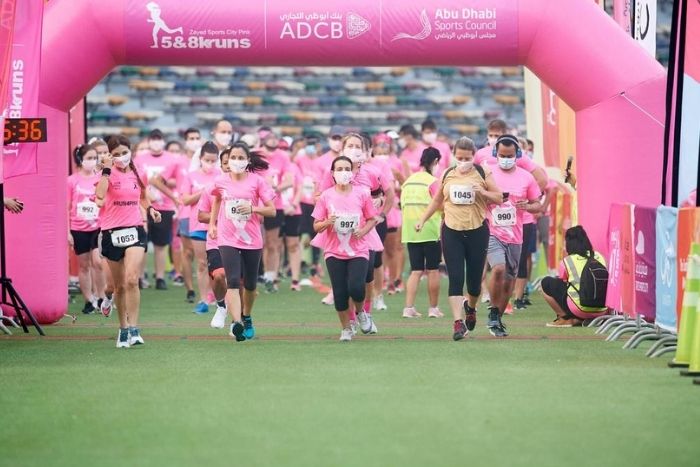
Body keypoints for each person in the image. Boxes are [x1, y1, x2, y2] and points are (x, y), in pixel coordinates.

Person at [416, 138, 503, 340]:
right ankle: (457, 323)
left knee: (473, 283)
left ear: (474, 156)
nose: (463, 161)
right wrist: (423, 219)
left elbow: (499, 197)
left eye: (467, 158)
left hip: (477, 231)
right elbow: (438, 199)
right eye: (460, 157)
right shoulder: (447, 173)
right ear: (454, 155)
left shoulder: (483, 172)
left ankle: (470, 308)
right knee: (455, 278)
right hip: (451, 231)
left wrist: (483, 192)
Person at [96, 134, 161, 348]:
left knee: (132, 279)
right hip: (111, 232)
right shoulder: (105, 172)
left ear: (130, 151)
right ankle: (122, 329)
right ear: (110, 156)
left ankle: (134, 328)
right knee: (119, 286)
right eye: (116, 154)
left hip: (134, 228)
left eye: (124, 153)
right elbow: (99, 197)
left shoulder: (138, 171)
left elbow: (143, 195)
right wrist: (105, 171)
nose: (121, 157)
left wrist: (150, 209)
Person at [208, 142, 276, 342]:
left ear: (247, 161)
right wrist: (212, 223)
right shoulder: (220, 181)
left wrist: (253, 209)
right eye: (232, 158)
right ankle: (236, 322)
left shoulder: (257, 182)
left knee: (251, 286)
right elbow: (217, 199)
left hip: (251, 239)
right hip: (227, 237)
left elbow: (271, 209)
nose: (235, 162)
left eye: (240, 158)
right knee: (233, 280)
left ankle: (246, 317)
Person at [312, 156, 379, 341]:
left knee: (357, 287)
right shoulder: (326, 196)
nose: (343, 172)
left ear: (352, 172)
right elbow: (316, 226)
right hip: (334, 251)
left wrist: (363, 230)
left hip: (358, 249)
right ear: (332, 173)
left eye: (346, 169)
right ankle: (346, 329)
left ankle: (361, 313)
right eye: (339, 169)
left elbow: (373, 218)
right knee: (340, 292)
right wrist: (328, 222)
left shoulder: (362, 194)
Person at [484, 135, 542, 337]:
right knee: (498, 269)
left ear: (517, 155)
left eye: (509, 155)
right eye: (502, 155)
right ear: (495, 154)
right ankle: (492, 310)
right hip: (492, 232)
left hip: (516, 235)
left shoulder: (526, 177)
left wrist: (528, 206)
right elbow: (479, 196)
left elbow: (538, 204)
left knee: (509, 280)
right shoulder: (488, 174)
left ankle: (498, 317)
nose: (506, 159)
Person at [134, 129, 182, 291]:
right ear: (148, 141)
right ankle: (140, 276)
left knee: (161, 244)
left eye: (159, 138)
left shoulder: (172, 160)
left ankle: (160, 276)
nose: (156, 141)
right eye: (153, 138)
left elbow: (178, 180)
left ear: (163, 140)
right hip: (143, 204)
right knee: (141, 243)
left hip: (164, 205)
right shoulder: (139, 159)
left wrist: (162, 183)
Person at [400, 147, 444, 319]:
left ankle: (408, 308)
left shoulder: (409, 181)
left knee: (416, 271)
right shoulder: (433, 182)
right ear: (435, 162)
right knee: (433, 270)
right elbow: (440, 205)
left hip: (411, 231)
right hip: (430, 230)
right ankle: (433, 309)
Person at [181, 141, 221, 314]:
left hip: (218, 225)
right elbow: (185, 200)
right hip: (197, 224)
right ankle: (203, 299)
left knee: (219, 265)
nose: (210, 164)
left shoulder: (221, 175)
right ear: (201, 158)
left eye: (213, 160)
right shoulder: (191, 176)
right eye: (207, 160)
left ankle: (218, 296)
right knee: (202, 263)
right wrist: (204, 191)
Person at [541, 226, 608, 326]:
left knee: (545, 283)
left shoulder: (567, 261)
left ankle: (565, 318)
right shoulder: (599, 256)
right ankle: (588, 319)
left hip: (579, 308)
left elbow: (563, 282)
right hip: (602, 310)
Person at [68, 144, 106, 315]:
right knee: (83, 266)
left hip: (98, 226)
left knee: (98, 262)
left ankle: (101, 297)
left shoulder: (101, 178)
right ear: (81, 160)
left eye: (94, 158)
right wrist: (67, 231)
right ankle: (89, 300)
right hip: (78, 227)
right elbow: (66, 207)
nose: (92, 161)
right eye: (89, 158)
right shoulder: (71, 180)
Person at [195, 148, 232, 330]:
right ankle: (221, 306)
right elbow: (201, 215)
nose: (229, 166)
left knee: (239, 283)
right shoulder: (212, 187)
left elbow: (261, 215)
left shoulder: (249, 186)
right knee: (219, 276)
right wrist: (220, 216)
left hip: (241, 240)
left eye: (234, 161)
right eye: (225, 162)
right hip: (216, 239)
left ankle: (239, 320)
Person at [258, 129, 294, 293]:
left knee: (273, 244)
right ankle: (253, 276)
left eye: (274, 138)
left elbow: (289, 180)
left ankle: (270, 277)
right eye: (269, 138)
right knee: (257, 243)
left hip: (274, 204)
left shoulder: (283, 157)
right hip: (254, 205)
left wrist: (274, 189)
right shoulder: (255, 154)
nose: (272, 141)